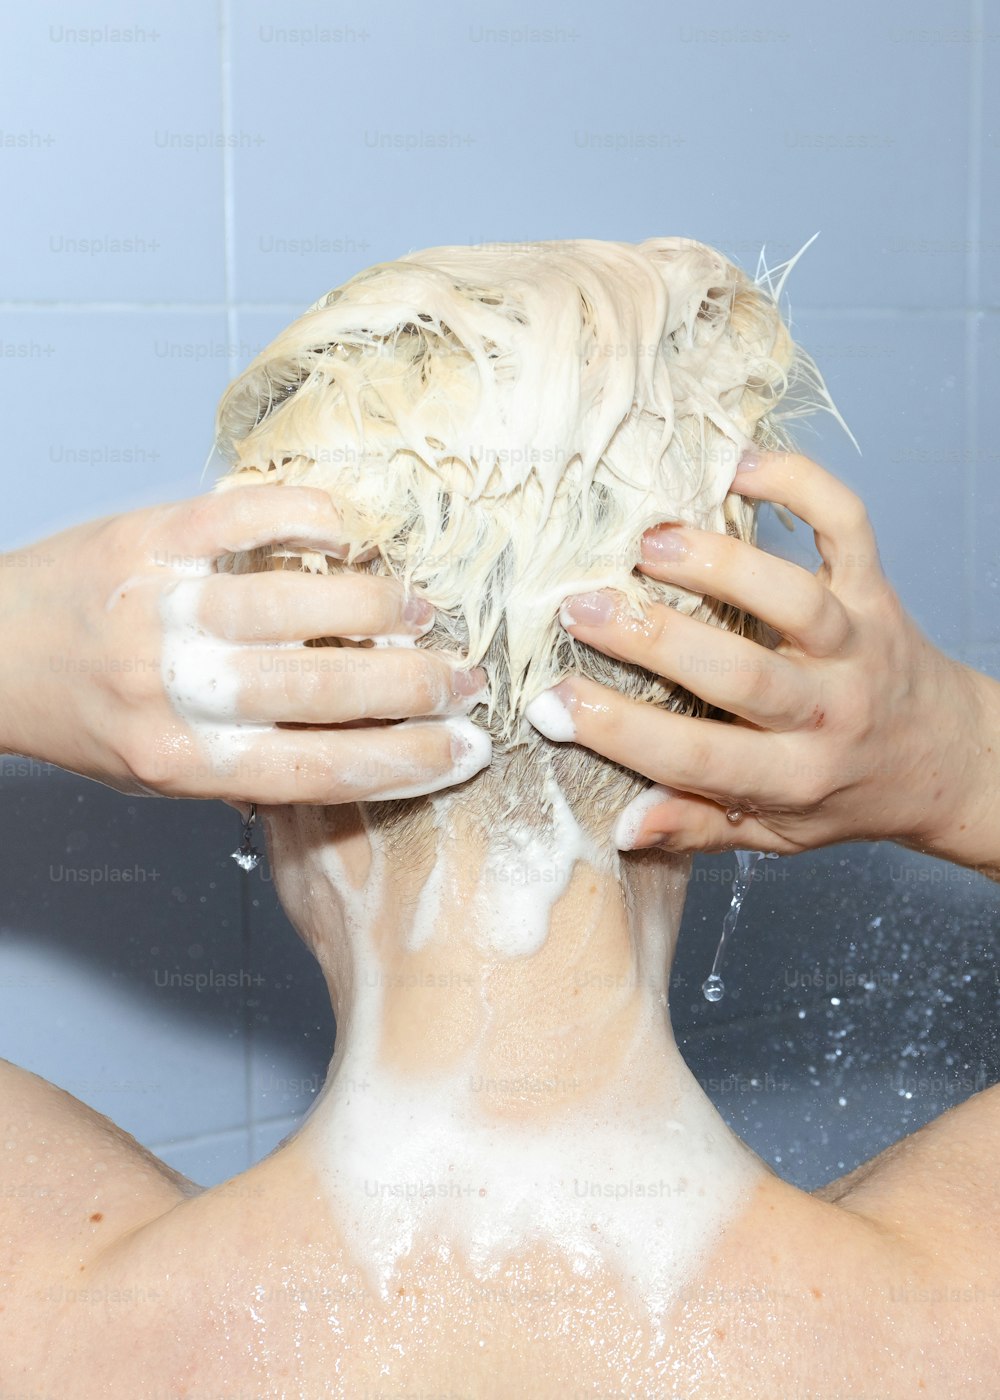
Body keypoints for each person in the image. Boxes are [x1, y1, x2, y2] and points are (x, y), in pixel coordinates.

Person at [1, 236, 998, 1397]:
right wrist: (959, 758)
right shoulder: (955, 1320)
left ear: (260, 750)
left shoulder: (51, 1318)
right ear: (733, 736)